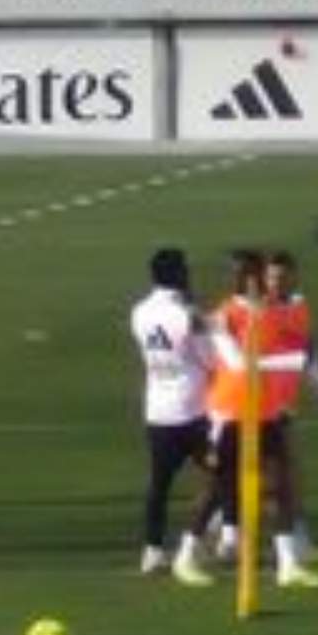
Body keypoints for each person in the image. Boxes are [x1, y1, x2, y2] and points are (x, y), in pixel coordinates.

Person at [179, 251, 318, 590]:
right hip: (230, 410)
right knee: (218, 488)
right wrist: (293, 362)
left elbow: (288, 343)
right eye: (242, 273)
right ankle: (186, 555)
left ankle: (287, 564)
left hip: (265, 409)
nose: (249, 279)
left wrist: (313, 374)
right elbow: (240, 364)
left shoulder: (270, 310)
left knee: (281, 484)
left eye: (248, 272)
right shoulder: (227, 314)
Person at [130, 247, 214, 577]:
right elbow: (209, 359)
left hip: (157, 409)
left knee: (159, 484)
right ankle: (200, 539)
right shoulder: (186, 313)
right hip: (193, 409)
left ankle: (151, 550)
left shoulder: (139, 311)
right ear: (180, 273)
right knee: (219, 475)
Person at [264, 251, 318, 560]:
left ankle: (297, 542)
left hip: (283, 405)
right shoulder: (257, 312)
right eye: (271, 277)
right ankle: (292, 547)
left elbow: (306, 357)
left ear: (294, 278)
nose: (276, 283)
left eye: (282, 277)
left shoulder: (299, 310)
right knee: (280, 478)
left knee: (287, 477)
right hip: (256, 407)